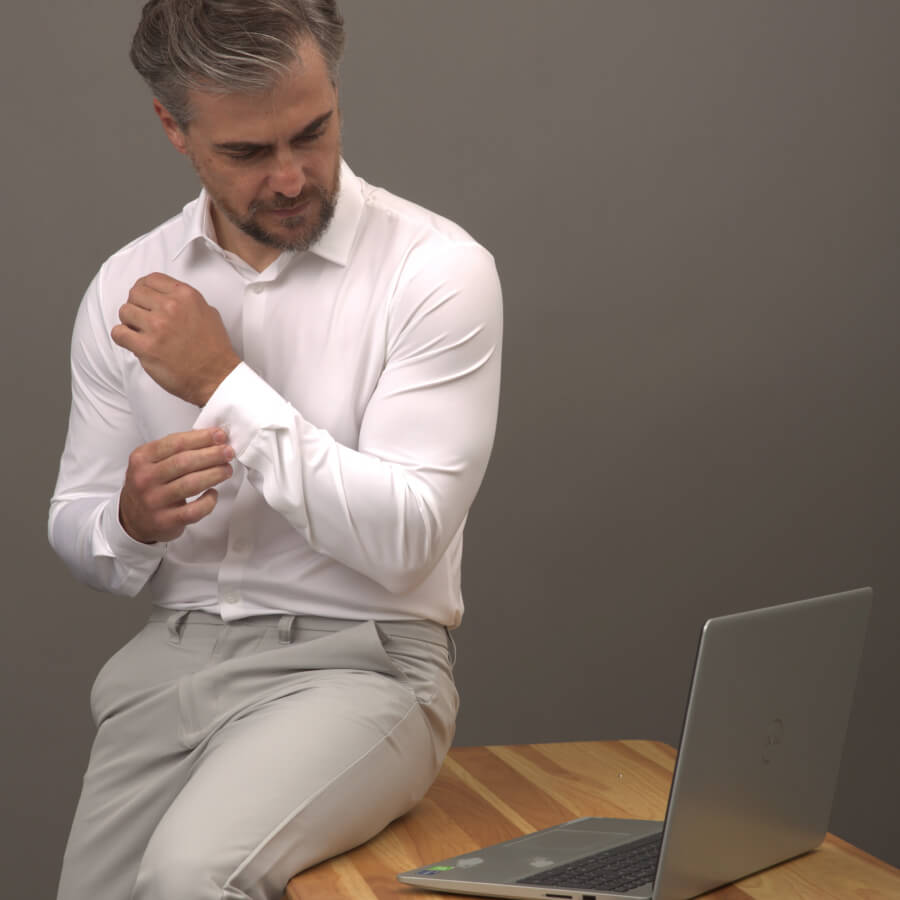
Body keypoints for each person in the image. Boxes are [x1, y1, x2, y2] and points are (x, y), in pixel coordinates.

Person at [48, 1, 502, 897]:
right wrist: (131, 521)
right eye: (248, 153)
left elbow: (409, 537)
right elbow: (75, 522)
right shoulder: (125, 285)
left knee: (191, 879)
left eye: (313, 132)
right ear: (174, 128)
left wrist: (223, 382)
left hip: (361, 666)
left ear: (333, 93)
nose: (293, 178)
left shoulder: (436, 273)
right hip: (170, 660)